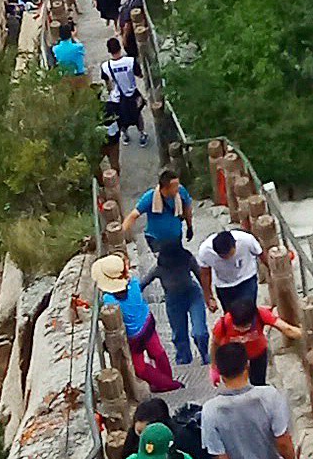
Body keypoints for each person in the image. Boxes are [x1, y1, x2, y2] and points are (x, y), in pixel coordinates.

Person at [124, 168, 206, 375]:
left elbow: (187, 206)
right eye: (174, 186)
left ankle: (200, 356)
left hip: (175, 243)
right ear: (164, 187)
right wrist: (122, 234)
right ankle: (183, 355)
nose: (178, 189)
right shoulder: (149, 198)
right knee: (167, 265)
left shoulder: (180, 194)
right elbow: (134, 215)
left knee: (174, 261)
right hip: (157, 241)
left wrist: (189, 225)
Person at [98, 257, 177, 397]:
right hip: (148, 322)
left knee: (140, 368)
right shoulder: (133, 283)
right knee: (158, 352)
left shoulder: (109, 300)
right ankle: (169, 380)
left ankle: (167, 384)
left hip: (134, 337)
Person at [196, 212, 266, 336]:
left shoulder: (246, 240)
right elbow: (205, 274)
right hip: (224, 286)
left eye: (229, 254)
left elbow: (261, 254)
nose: (227, 258)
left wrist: (271, 271)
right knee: (232, 319)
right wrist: (208, 296)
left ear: (235, 244)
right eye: (223, 256)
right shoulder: (205, 251)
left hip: (246, 279)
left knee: (248, 314)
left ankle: (256, 340)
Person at [103, 43, 146, 141]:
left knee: (120, 117)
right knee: (137, 114)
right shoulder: (130, 61)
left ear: (109, 51)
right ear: (120, 47)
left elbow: (107, 82)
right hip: (132, 94)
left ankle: (125, 135)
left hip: (117, 97)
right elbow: (139, 75)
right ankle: (142, 135)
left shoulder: (105, 66)